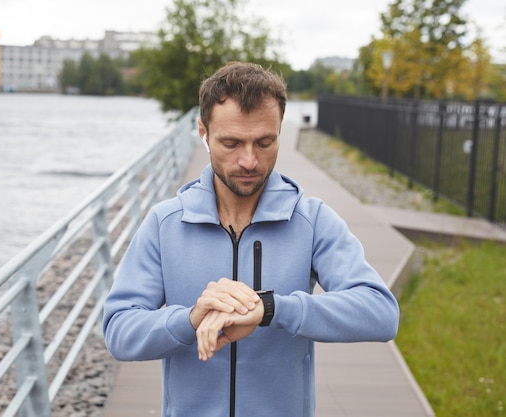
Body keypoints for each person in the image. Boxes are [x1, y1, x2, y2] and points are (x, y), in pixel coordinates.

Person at [102, 61, 399, 417]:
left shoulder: (312, 219)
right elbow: (120, 331)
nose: (249, 160)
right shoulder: (165, 224)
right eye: (231, 143)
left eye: (264, 142)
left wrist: (272, 309)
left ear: (279, 132)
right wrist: (192, 318)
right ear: (203, 132)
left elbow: (381, 313)